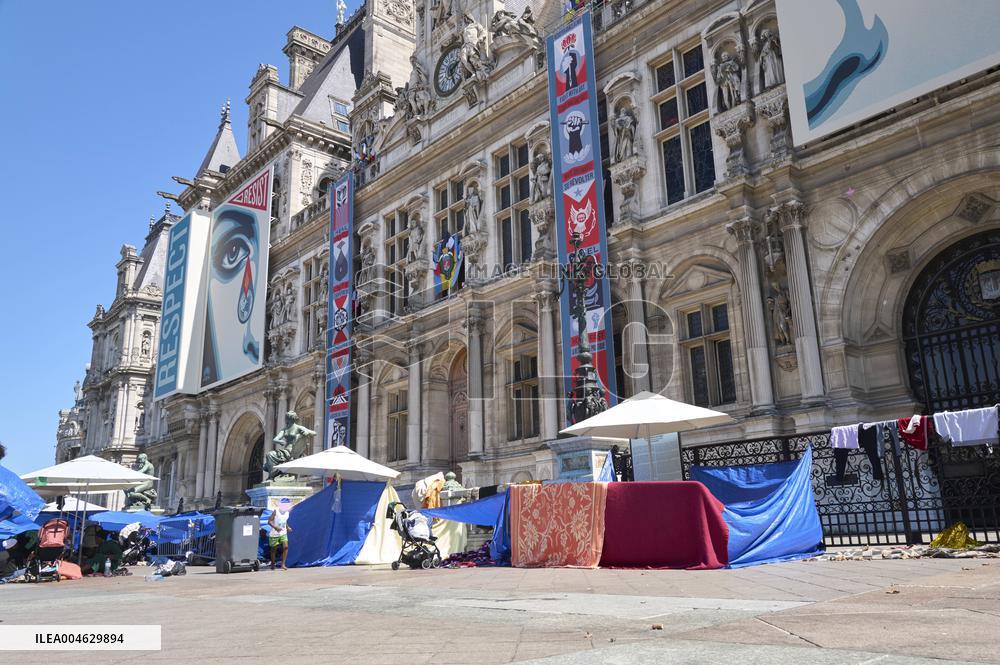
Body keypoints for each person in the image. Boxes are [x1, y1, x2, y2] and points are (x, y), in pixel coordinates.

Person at [267, 498, 293, 570]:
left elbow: (285, 521)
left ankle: (283, 564)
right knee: (273, 549)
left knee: (286, 547)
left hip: (283, 533)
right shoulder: (276, 512)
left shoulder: (287, 513)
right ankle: (272, 564)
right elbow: (269, 521)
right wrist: (275, 527)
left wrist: (287, 527)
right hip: (274, 534)